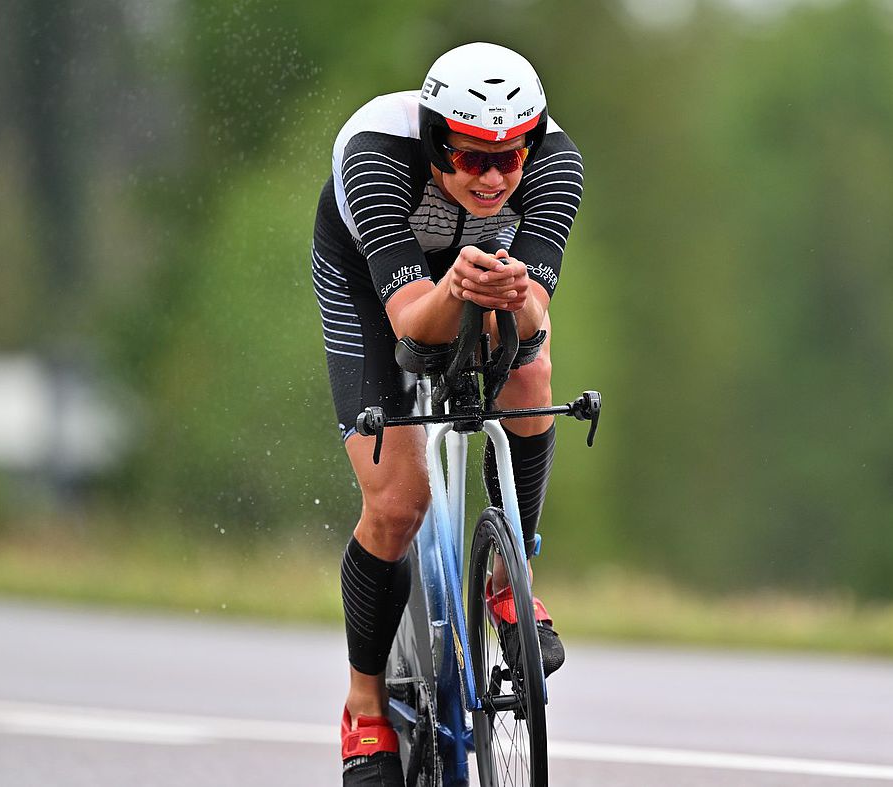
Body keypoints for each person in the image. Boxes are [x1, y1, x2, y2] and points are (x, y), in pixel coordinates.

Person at [309, 42, 584, 786]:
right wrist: (457, 290)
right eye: (471, 158)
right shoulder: (374, 154)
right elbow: (408, 326)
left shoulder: (557, 162)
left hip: (482, 278)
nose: (495, 177)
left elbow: (532, 321)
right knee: (398, 504)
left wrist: (513, 295)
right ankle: (364, 706)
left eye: (510, 157)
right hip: (376, 288)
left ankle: (510, 571)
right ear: (436, 144)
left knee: (534, 370)